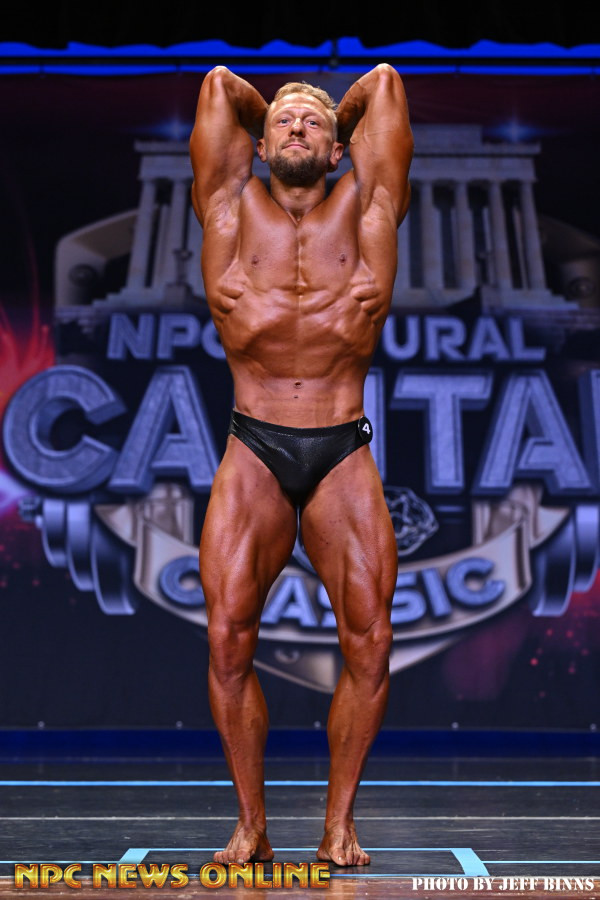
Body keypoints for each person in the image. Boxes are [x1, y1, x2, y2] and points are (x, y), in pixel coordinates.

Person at [190, 63, 412, 868]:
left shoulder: (369, 207)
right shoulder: (227, 206)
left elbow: (384, 82)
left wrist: (327, 114)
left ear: (340, 146)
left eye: (312, 124)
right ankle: (250, 825)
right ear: (257, 141)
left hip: (338, 446)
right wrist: (281, 109)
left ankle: (338, 824)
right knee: (227, 640)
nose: (295, 128)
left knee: (371, 641)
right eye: (282, 121)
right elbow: (219, 85)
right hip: (254, 442)